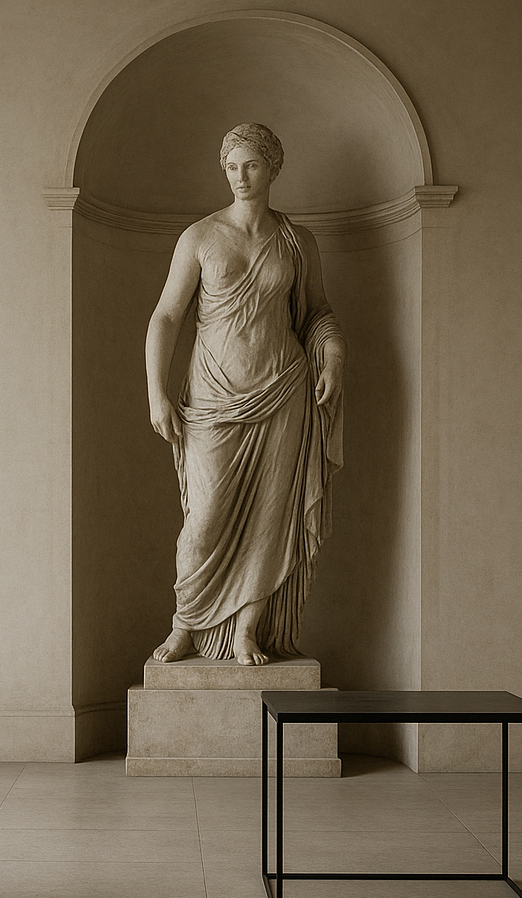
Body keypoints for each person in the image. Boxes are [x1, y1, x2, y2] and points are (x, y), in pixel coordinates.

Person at [146, 123, 345, 666]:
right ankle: (185, 623)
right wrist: (156, 392)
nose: (241, 177)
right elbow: (166, 316)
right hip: (212, 398)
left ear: (272, 168)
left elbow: (317, 312)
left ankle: (246, 629)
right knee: (203, 520)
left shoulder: (297, 241)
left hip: (283, 392)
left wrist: (333, 356)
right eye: (232, 166)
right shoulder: (200, 236)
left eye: (252, 165)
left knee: (269, 519)